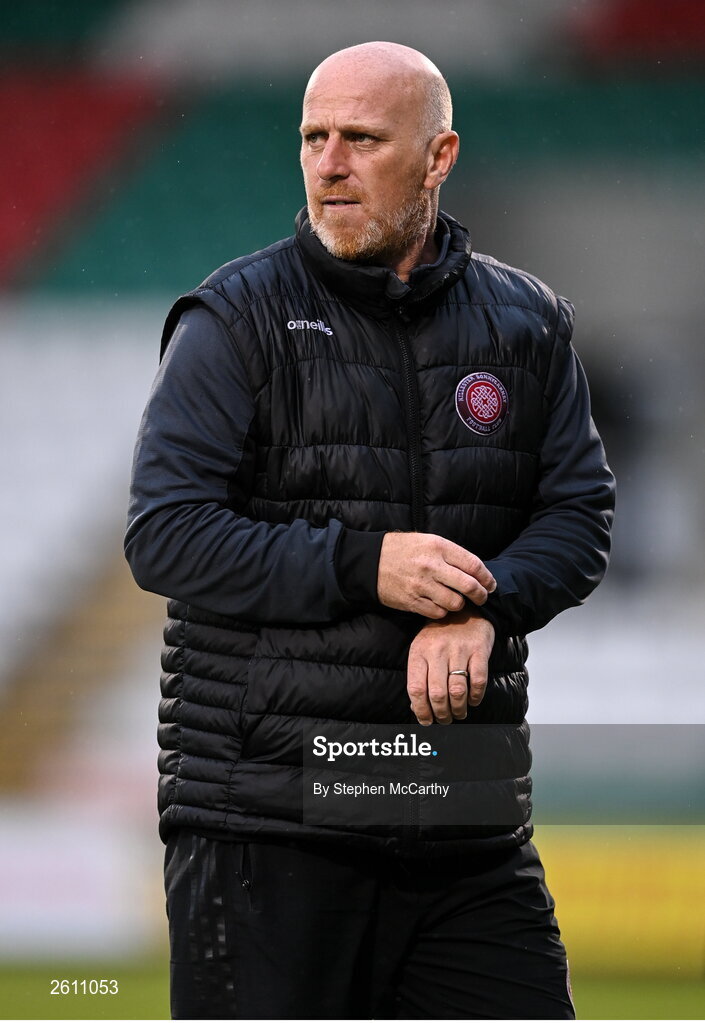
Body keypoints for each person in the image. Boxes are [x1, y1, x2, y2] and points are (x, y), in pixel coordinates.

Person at [125, 40, 614, 1020]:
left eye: (361, 138)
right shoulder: (236, 319)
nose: (329, 163)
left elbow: (579, 517)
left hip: (457, 812)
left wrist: (491, 610)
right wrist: (365, 565)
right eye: (313, 137)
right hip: (269, 819)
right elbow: (166, 535)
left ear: (439, 156)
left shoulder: (528, 324)